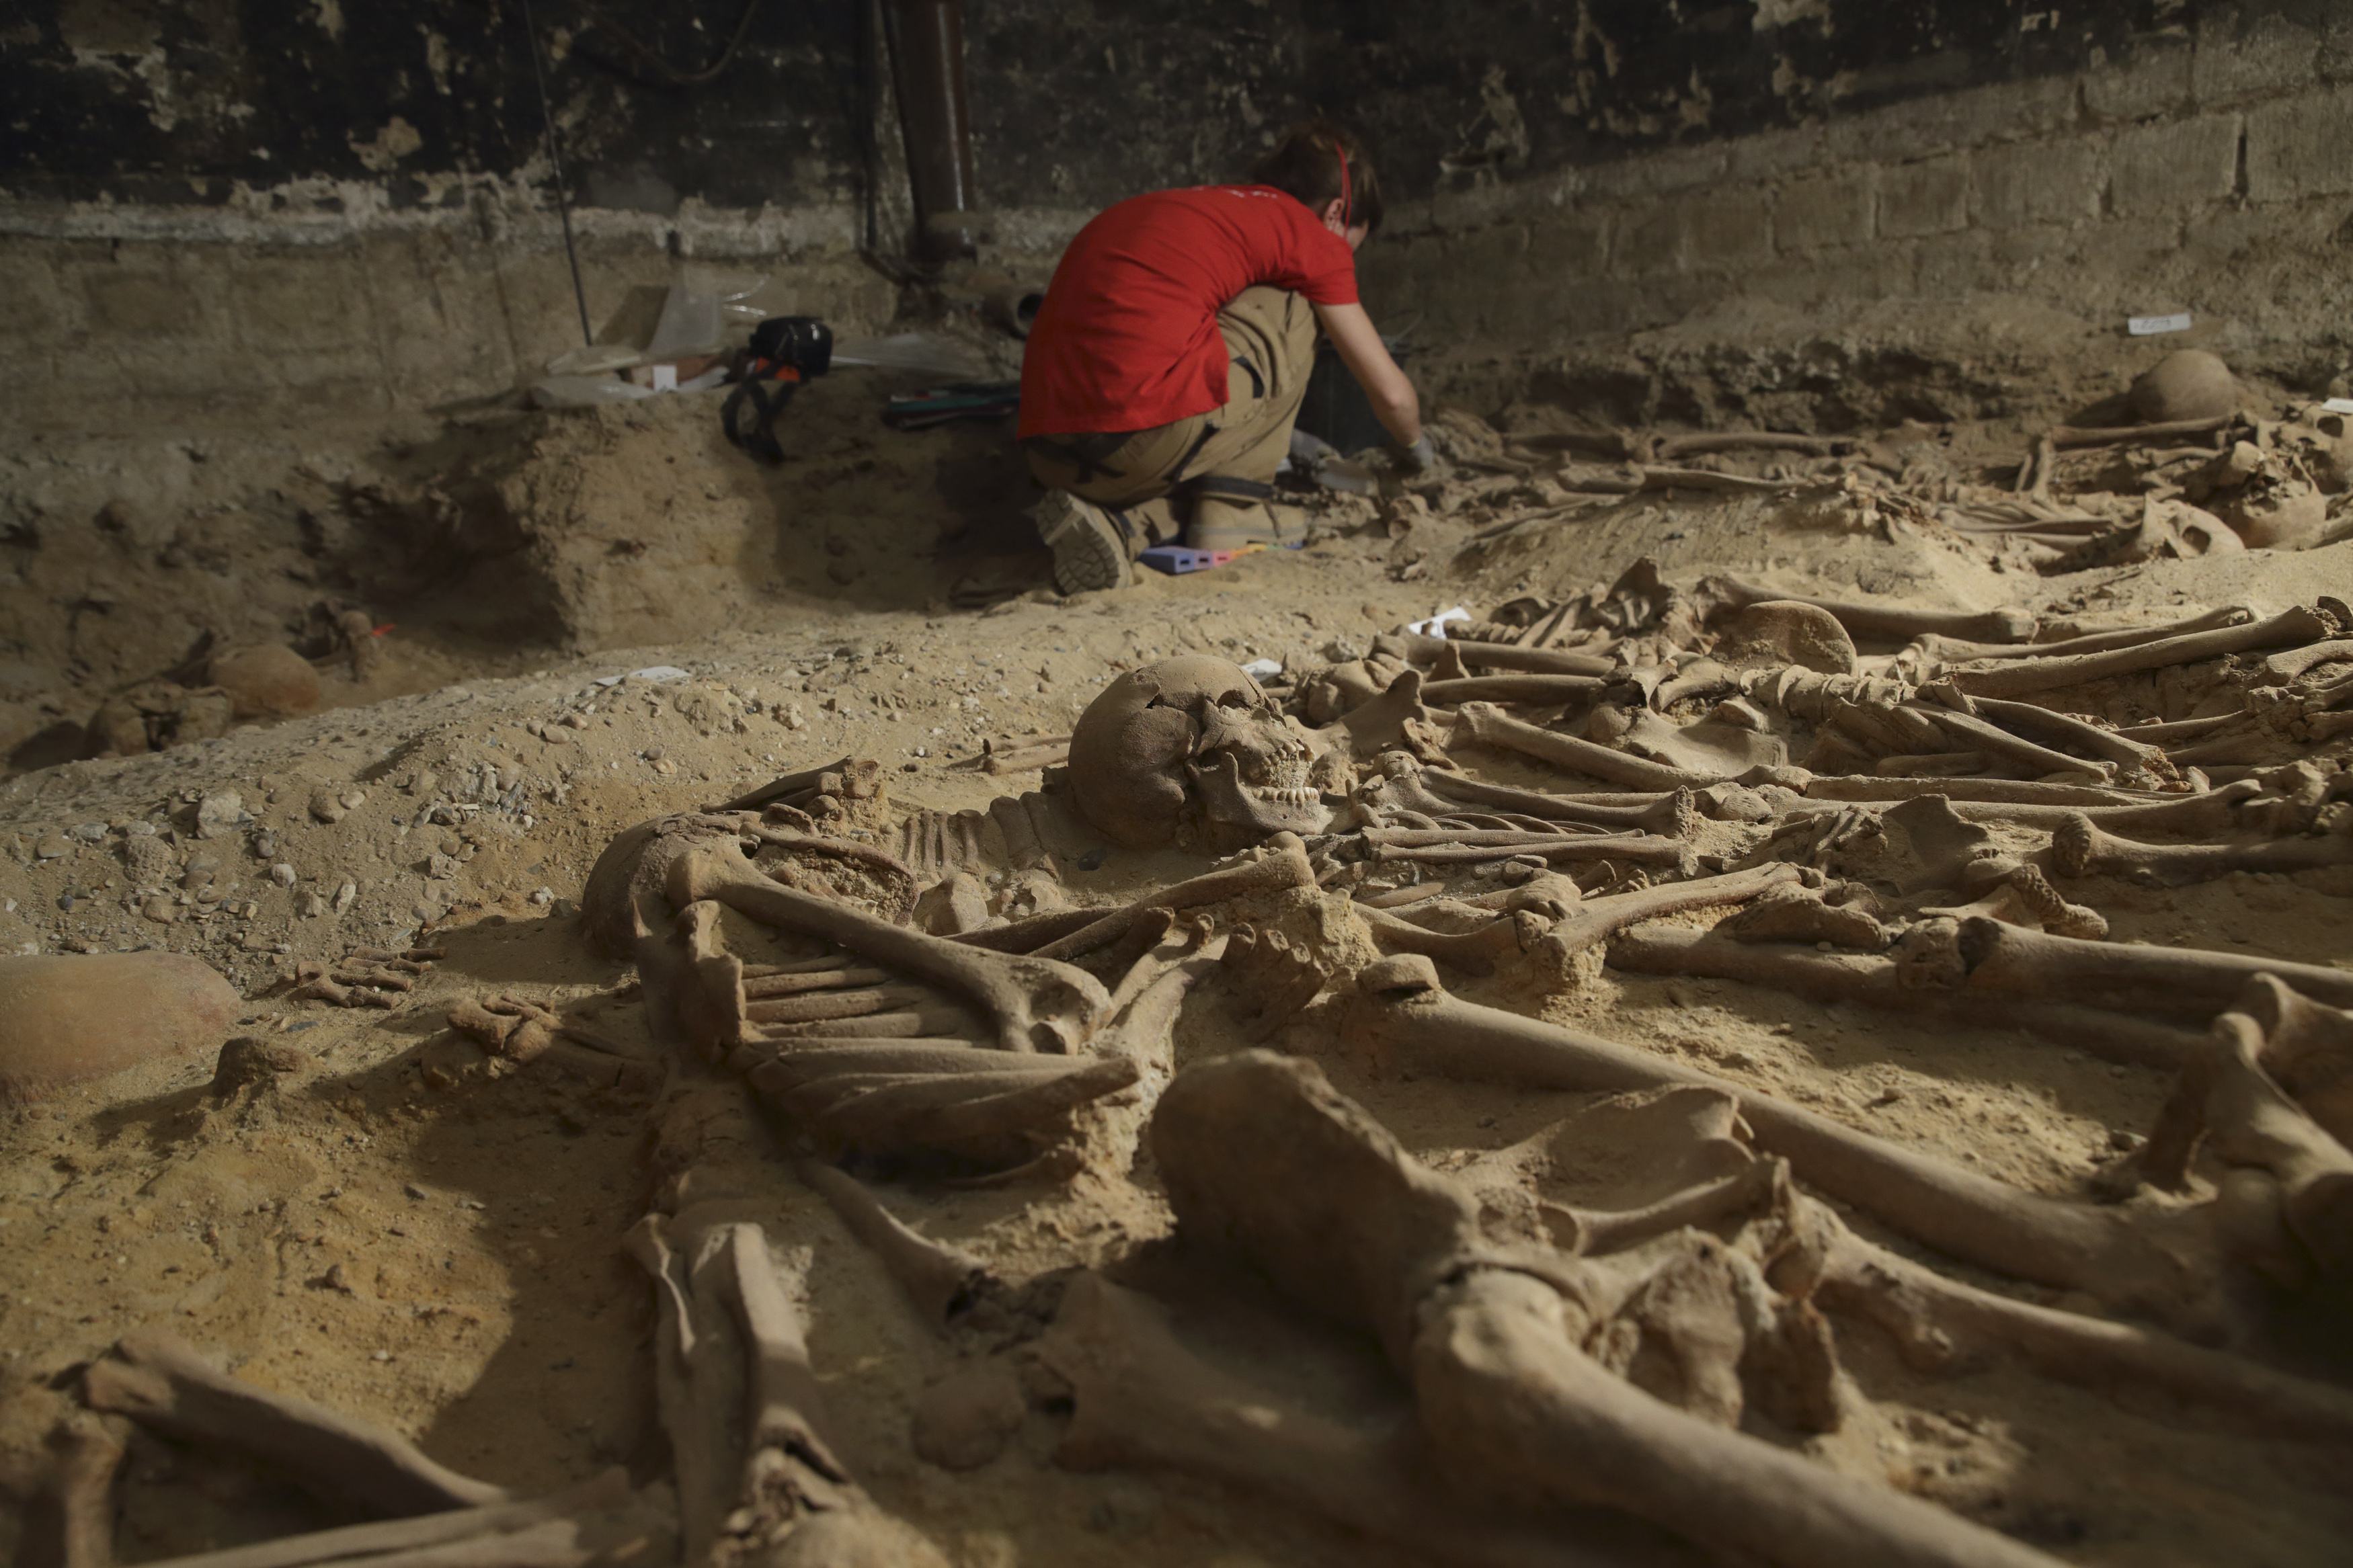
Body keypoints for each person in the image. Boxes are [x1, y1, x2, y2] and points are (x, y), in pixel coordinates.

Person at [1017, 121, 1429, 593]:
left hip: (1048, 458)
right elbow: (1394, 398)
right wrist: (1417, 451)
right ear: (1338, 211)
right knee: (1299, 302)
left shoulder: (1191, 211)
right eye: (1354, 244)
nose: (1346, 258)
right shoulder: (1311, 237)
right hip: (1135, 443)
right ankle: (1234, 507)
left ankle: (1126, 525)